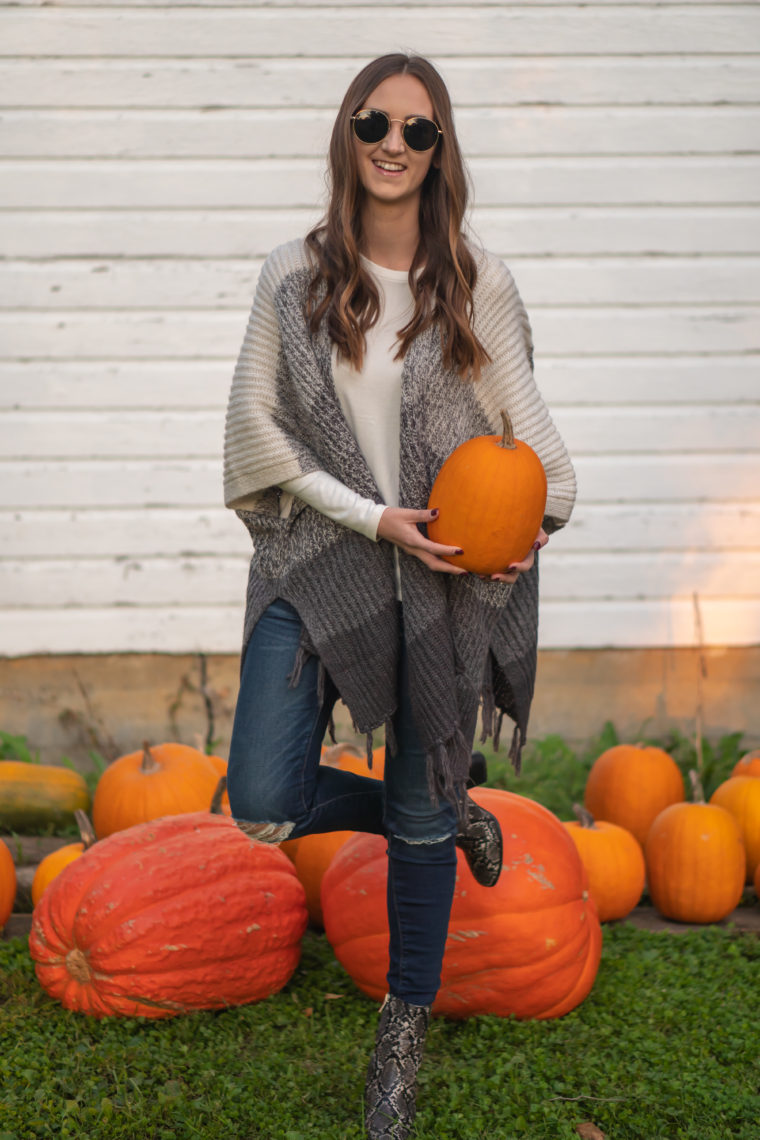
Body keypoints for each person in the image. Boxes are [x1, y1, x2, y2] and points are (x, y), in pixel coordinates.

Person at [223, 52, 576, 1140]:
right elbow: (256, 433)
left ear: (439, 151)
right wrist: (371, 516)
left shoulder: (477, 281)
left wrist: (528, 526)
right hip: (319, 557)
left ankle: (399, 1041)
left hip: (443, 581)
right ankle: (441, 805)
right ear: (347, 133)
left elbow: (538, 451)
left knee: (417, 819)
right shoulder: (292, 274)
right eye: (374, 120)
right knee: (261, 800)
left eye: (416, 130)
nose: (392, 142)